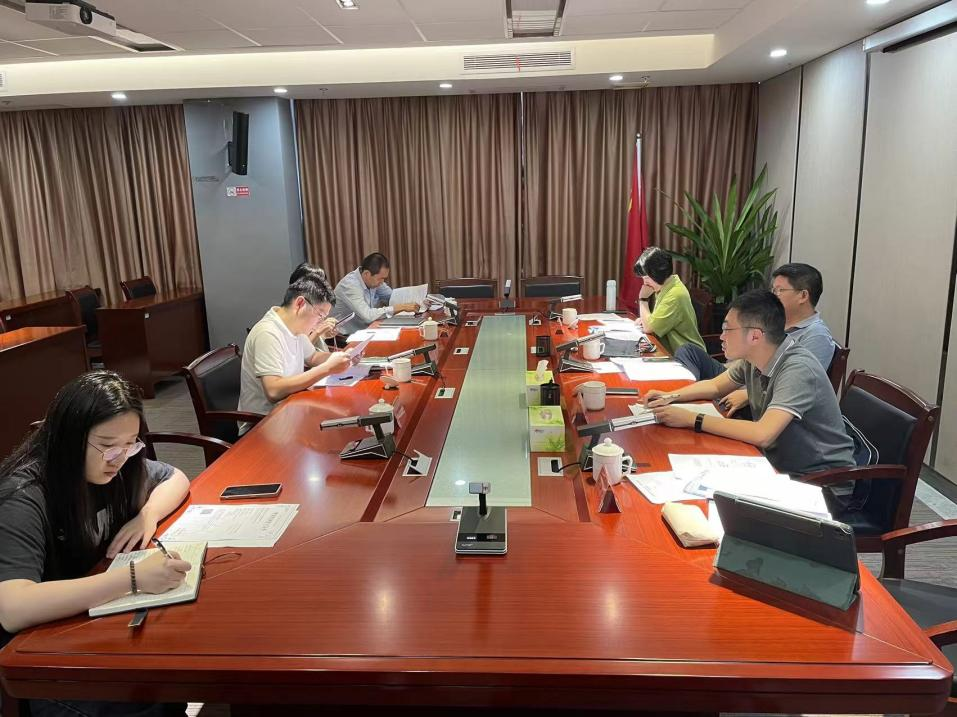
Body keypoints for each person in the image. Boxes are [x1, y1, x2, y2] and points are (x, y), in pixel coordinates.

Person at [0, 371, 192, 716]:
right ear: (68, 438)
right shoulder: (25, 496)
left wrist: (147, 515)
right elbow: (13, 608)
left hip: (83, 623)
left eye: (130, 443)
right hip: (31, 656)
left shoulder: (119, 468)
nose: (119, 457)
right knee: (145, 698)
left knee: (170, 674)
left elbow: (175, 477)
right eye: (107, 445)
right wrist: (132, 578)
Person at [644, 289, 854, 478]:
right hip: (775, 463)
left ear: (755, 336)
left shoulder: (798, 369)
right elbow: (716, 386)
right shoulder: (755, 358)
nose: (722, 337)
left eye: (728, 329)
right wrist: (670, 396)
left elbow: (763, 434)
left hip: (819, 481)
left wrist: (692, 419)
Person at [675, 263, 838, 416]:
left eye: (779, 290)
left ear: (803, 295)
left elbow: (797, 384)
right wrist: (671, 396)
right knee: (689, 351)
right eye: (773, 290)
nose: (773, 296)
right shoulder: (775, 322)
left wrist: (746, 395)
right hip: (741, 376)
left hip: (767, 399)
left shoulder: (817, 336)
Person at [238, 274, 354, 433]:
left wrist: (343, 358)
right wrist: (327, 368)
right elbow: (274, 391)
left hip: (292, 409)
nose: (320, 322)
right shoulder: (268, 333)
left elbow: (313, 357)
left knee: (342, 416)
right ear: (300, 304)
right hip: (263, 422)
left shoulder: (296, 327)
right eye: (320, 315)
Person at [633, 247, 706, 356]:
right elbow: (654, 323)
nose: (645, 283)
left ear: (658, 274)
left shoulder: (675, 295)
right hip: (676, 352)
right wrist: (647, 319)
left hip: (689, 357)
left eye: (646, 278)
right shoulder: (667, 286)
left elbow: (649, 328)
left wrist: (643, 299)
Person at [329, 252, 419, 335]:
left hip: (366, 329)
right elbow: (368, 316)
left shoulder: (373, 281)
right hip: (343, 337)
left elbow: (393, 296)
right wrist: (400, 307)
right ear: (367, 274)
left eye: (384, 278)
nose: (382, 282)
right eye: (380, 278)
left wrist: (419, 300)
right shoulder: (350, 286)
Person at [288, 262, 337, 352]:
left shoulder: (315, 307)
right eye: (317, 284)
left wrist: (324, 334)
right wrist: (318, 332)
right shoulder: (293, 314)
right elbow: (299, 354)